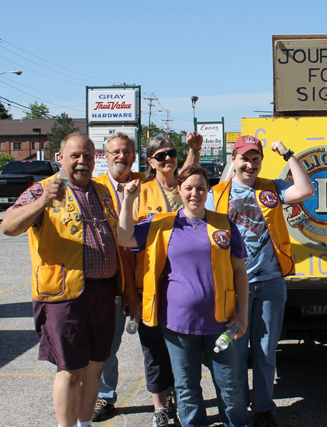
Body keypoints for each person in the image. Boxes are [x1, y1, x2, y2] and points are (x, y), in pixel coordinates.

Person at [1, 133, 123, 427]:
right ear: (60, 157)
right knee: (70, 370)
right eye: (75, 156)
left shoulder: (102, 192)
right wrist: (43, 201)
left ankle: (85, 423)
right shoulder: (42, 190)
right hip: (64, 296)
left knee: (95, 367)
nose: (82, 162)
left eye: (88, 156)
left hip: (103, 294)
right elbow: (8, 226)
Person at [118, 165, 252, 427]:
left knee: (231, 387)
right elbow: (124, 238)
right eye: (188, 188)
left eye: (200, 188)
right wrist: (128, 201)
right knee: (186, 388)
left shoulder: (224, 224)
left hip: (221, 322)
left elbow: (239, 271)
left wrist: (243, 312)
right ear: (179, 190)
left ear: (208, 190)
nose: (195, 193)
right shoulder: (161, 224)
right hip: (177, 324)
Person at [205, 135, 314, 427]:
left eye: (256, 159)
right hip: (233, 287)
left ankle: (264, 410)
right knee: (236, 355)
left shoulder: (272, 188)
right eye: (244, 159)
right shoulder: (217, 193)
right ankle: (239, 411)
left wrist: (288, 155)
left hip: (270, 283)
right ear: (233, 160)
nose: (250, 165)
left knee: (266, 352)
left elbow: (306, 190)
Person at [132, 132, 202, 426]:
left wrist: (193, 150)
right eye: (160, 156)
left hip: (184, 282)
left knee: (183, 348)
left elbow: (192, 172)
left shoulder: (187, 188)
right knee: (154, 348)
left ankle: (180, 399)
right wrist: (130, 292)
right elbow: (128, 240)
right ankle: (160, 407)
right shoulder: (141, 192)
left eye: (171, 153)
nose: (167, 159)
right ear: (150, 162)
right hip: (151, 282)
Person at [91, 133, 144, 422]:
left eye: (126, 151)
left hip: (150, 278)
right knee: (106, 346)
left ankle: (167, 395)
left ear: (134, 157)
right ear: (105, 156)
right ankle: (104, 395)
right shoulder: (94, 188)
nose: (121, 156)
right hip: (112, 281)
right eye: (115, 152)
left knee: (160, 345)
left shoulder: (147, 184)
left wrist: (193, 152)